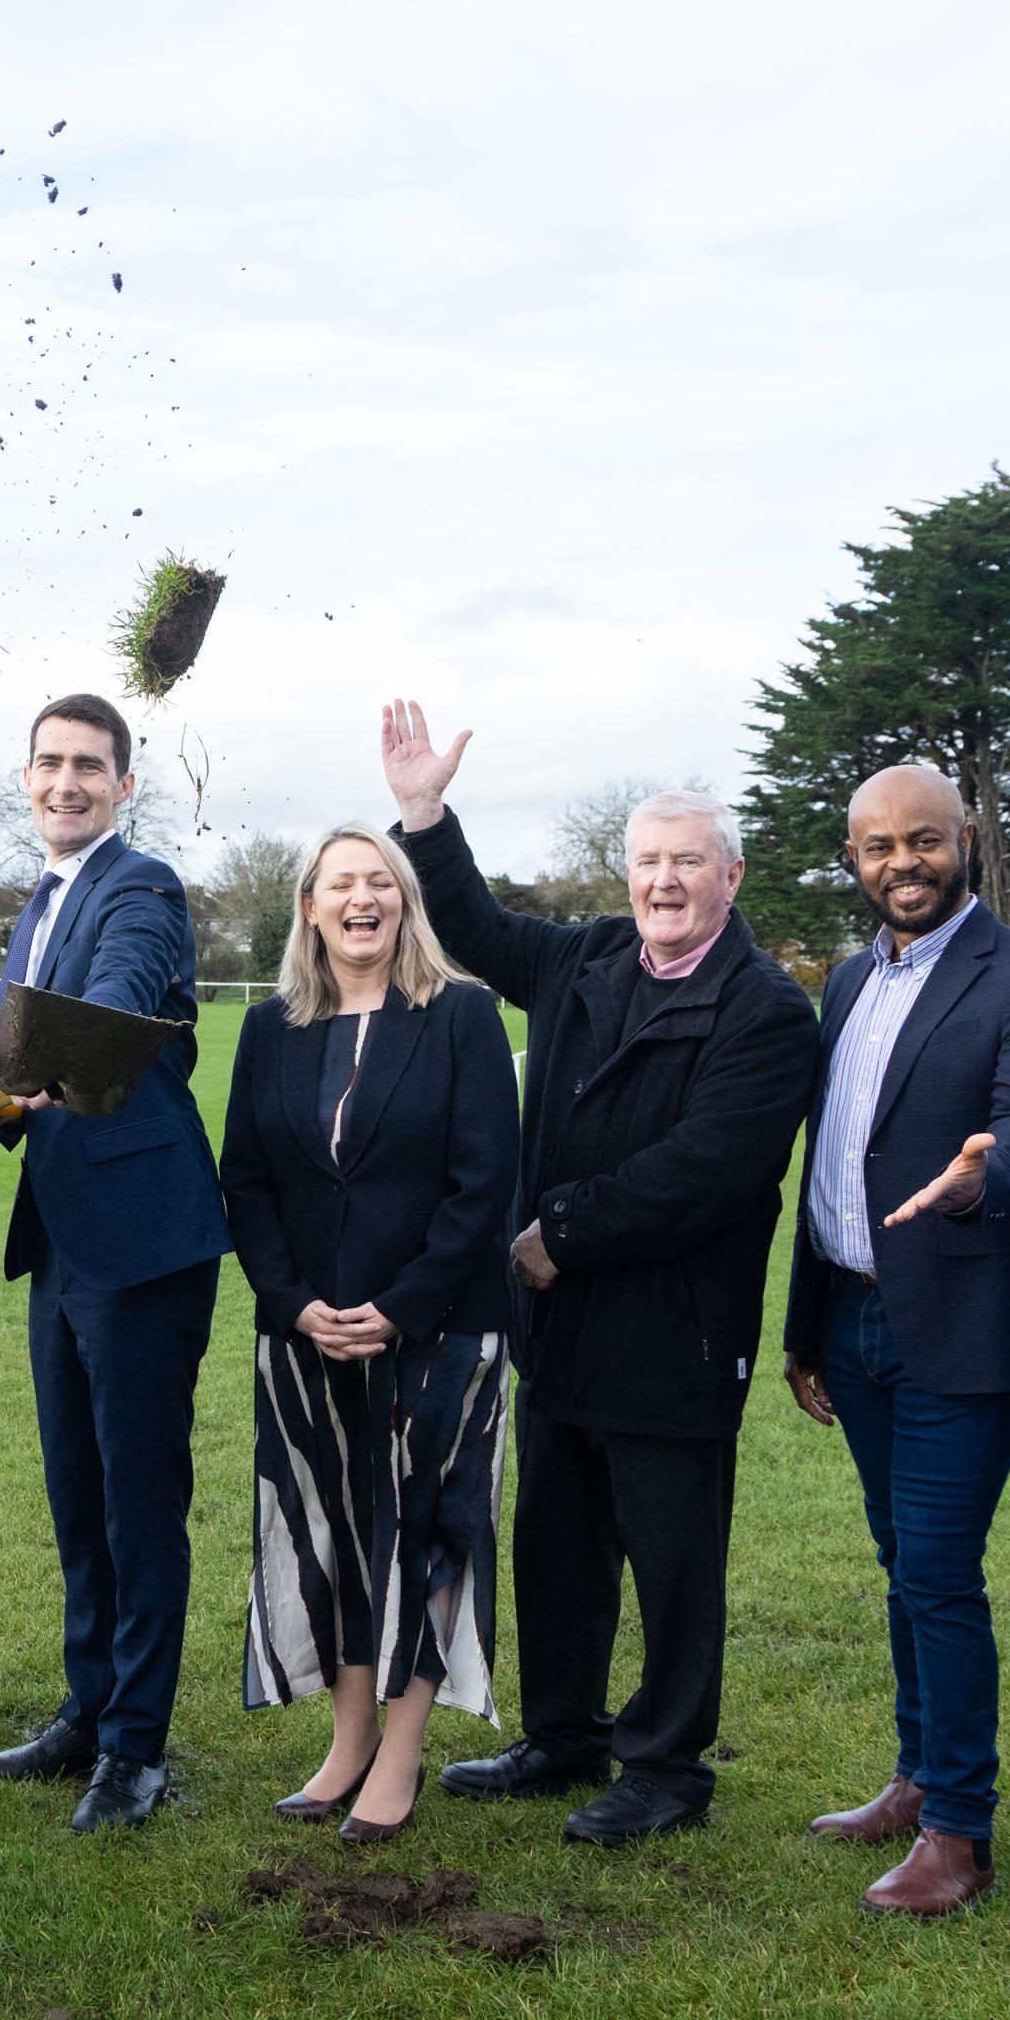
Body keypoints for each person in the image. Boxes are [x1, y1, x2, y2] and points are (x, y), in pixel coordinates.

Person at [381, 698, 818, 1846]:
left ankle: (667, 1765)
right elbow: (474, 924)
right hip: (560, 1330)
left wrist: (555, 1232)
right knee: (559, 1542)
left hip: (672, 1330)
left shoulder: (766, 1007)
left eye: (686, 862)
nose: (662, 881)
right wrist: (425, 813)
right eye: (646, 862)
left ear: (730, 873)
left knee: (674, 1559)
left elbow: (707, 1171)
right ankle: (562, 1732)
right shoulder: (586, 959)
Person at [775, 765, 1010, 1917]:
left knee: (941, 1571)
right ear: (853, 859)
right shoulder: (851, 978)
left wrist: (984, 1173)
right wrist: (809, 1323)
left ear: (965, 840)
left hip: (964, 1323)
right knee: (900, 1558)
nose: (901, 861)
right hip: (854, 1319)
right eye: (875, 846)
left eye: (922, 840)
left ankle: (961, 1827)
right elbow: (833, 1158)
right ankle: (913, 1775)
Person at [0, 696, 232, 1833]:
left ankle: (137, 1748)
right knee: (75, 1487)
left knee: (138, 1495)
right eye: (50, 763)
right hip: (63, 1237)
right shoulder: (38, 905)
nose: (67, 782)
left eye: (89, 766)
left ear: (124, 783)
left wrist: (10, 1071)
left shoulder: (141, 885)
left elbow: (105, 1006)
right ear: (26, 779)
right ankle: (87, 1706)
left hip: (144, 1234)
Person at [218, 824, 518, 1842]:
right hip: (307, 1337)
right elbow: (247, 1183)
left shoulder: (462, 1017)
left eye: (379, 881)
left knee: (421, 1540)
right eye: (341, 882)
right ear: (309, 906)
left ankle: (401, 1752)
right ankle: (347, 1743)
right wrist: (293, 1301)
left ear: (404, 903)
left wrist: (401, 1305)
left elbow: (485, 1184)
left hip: (437, 1334)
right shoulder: (271, 1030)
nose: (362, 896)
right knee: (335, 1540)